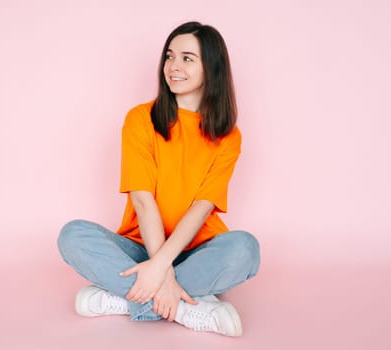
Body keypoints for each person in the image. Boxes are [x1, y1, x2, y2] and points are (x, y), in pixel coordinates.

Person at [57, 21, 260, 337]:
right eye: (169, 56)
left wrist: (159, 270)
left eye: (187, 58)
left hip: (197, 248)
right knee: (72, 236)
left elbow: (202, 207)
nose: (173, 67)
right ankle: (183, 306)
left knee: (246, 250)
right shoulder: (140, 119)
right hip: (140, 247)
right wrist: (159, 271)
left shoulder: (228, 137)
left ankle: (125, 299)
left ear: (212, 68)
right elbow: (142, 199)